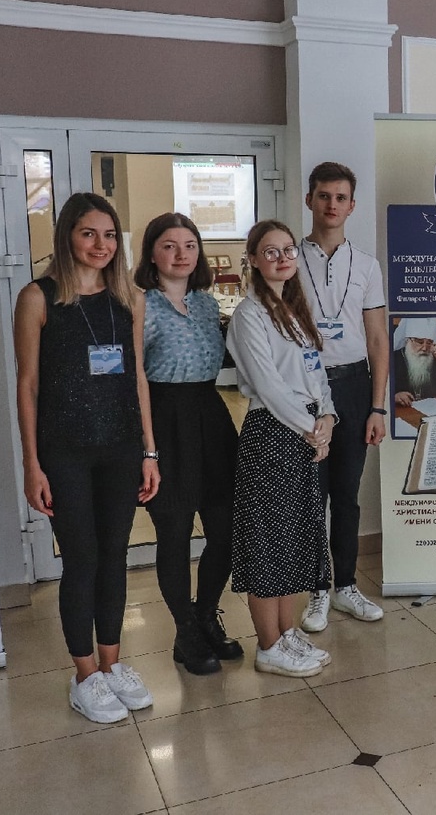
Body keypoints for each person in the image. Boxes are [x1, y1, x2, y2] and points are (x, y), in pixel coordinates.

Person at [13, 192, 160, 723]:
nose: (101, 245)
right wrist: (32, 463)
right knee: (82, 560)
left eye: (109, 235)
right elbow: (27, 385)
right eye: (88, 233)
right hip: (65, 452)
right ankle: (85, 676)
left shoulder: (129, 299)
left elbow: (137, 377)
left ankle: (112, 664)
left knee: (115, 556)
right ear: (67, 237)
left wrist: (149, 451)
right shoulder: (39, 298)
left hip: (120, 448)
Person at [134, 213, 242, 676]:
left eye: (190, 245)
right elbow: (135, 379)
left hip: (210, 417)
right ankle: (185, 631)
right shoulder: (140, 303)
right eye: (169, 245)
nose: (181, 254)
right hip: (163, 418)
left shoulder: (205, 304)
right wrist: (148, 449)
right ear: (151, 253)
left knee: (226, 529)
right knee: (175, 534)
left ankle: (205, 614)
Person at [227, 220, 335, 678]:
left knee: (294, 538)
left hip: (305, 431)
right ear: (253, 260)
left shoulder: (294, 309)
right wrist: (313, 429)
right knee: (268, 542)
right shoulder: (249, 315)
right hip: (272, 434)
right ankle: (268, 645)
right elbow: (270, 388)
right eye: (270, 252)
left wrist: (328, 418)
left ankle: (286, 633)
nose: (282, 258)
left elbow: (317, 375)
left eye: (288, 250)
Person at [297, 162, 390, 633]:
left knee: (347, 495)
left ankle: (346, 585)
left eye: (340, 198)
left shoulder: (367, 265)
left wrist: (377, 407)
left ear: (352, 206)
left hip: (354, 385)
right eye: (323, 196)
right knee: (312, 496)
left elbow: (377, 339)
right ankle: (318, 589)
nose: (331, 205)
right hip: (306, 387)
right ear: (309, 200)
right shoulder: (289, 260)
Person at [392, 317, 436, 406]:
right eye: (420, 342)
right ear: (408, 340)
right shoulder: (393, 359)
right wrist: (393, 397)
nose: (424, 348)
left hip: (431, 411)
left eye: (429, 343)